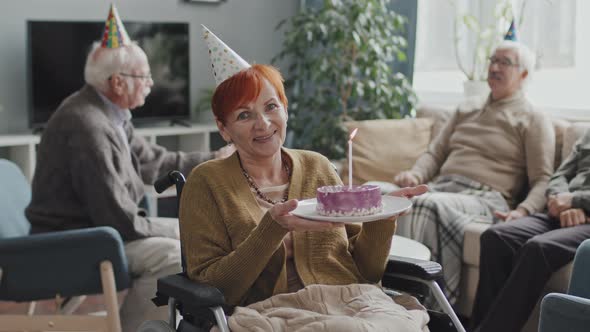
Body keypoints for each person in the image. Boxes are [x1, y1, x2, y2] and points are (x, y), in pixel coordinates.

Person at [178, 26, 430, 331]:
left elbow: (366, 270)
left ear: (285, 110)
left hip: (350, 302)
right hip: (269, 312)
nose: (263, 123)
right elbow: (215, 287)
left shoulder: (317, 166)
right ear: (223, 128)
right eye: (244, 115)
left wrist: (382, 217)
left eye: (271, 107)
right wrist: (272, 227)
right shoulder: (206, 182)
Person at [24, 6, 233, 332]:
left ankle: (167, 321)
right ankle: (140, 327)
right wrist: (179, 228)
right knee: (176, 253)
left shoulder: (110, 113)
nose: (152, 83)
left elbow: (156, 161)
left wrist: (215, 158)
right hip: (73, 241)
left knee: (196, 238)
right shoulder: (88, 126)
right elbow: (118, 219)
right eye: (144, 76)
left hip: (95, 229)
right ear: (118, 82)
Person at [392, 38, 555, 304]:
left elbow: (543, 179)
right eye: (493, 60)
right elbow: (435, 152)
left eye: (505, 62)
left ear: (524, 74)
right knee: (383, 195)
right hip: (444, 188)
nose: (494, 68)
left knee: (424, 206)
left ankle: (427, 303)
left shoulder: (534, 118)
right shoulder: (466, 107)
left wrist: (523, 211)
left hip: (486, 198)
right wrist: (416, 175)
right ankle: (379, 289)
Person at [470, 129, 590, 332]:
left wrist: (576, 201)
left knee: (538, 248)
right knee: (496, 236)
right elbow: (560, 175)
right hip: (560, 211)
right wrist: (558, 198)